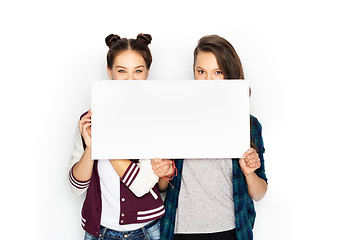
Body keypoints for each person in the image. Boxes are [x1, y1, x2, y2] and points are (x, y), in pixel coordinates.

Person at [158, 35, 268, 240]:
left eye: (217, 72)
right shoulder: (176, 118)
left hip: (230, 230)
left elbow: (259, 193)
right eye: (201, 71)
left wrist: (249, 172)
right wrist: (163, 171)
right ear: (193, 71)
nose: (208, 80)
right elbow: (162, 187)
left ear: (229, 74)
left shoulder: (249, 124)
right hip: (182, 230)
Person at [68, 33, 173, 240]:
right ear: (110, 72)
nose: (130, 79)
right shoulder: (89, 121)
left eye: (138, 71)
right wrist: (91, 148)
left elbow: (143, 185)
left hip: (147, 231)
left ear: (147, 72)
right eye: (122, 71)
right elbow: (76, 186)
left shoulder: (156, 119)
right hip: (99, 231)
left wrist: (104, 143)